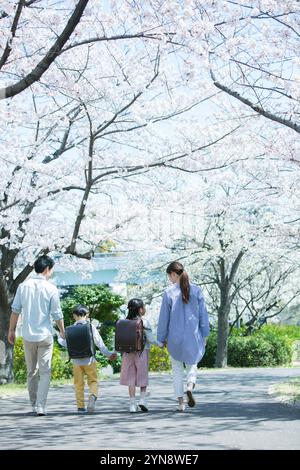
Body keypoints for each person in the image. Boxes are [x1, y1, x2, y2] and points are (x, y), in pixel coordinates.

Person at [8, 255, 65, 416]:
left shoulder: (23, 286)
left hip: (27, 335)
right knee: (45, 372)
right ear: (47, 269)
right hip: (45, 336)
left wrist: (11, 330)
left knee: (31, 371)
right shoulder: (51, 288)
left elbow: (15, 310)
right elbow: (56, 313)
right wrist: (62, 330)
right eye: (51, 269)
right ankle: (41, 406)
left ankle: (33, 404)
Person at [157, 261, 209, 412]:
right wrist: (205, 334)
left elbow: (163, 318)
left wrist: (161, 338)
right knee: (193, 364)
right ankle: (190, 386)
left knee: (177, 370)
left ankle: (181, 403)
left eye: (169, 276)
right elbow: (203, 315)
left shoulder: (169, 293)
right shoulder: (197, 291)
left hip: (175, 338)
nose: (169, 279)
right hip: (193, 336)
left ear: (173, 274)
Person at [58, 305, 117, 414]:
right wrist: (108, 354)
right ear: (87, 315)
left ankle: (80, 407)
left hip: (76, 361)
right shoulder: (90, 327)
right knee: (93, 381)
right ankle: (93, 395)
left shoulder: (69, 329)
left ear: (74, 316)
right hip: (89, 360)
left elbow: (64, 343)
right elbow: (99, 343)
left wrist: (60, 336)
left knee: (78, 384)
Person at [119, 298, 163, 413]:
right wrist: (160, 344)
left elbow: (119, 339)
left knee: (131, 378)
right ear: (140, 309)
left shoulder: (124, 322)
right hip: (142, 352)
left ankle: (132, 405)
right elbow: (151, 339)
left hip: (127, 353)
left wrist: (114, 352)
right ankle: (142, 399)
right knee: (142, 375)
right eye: (143, 307)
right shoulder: (144, 322)